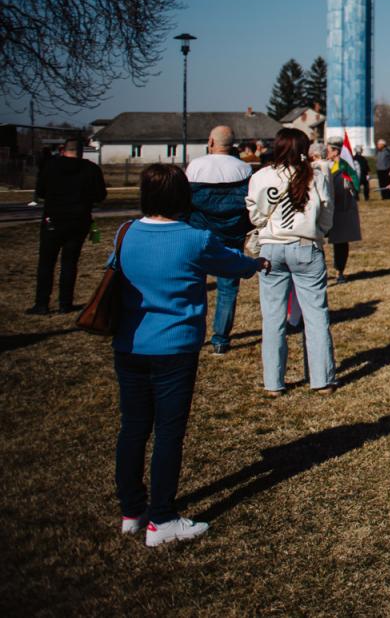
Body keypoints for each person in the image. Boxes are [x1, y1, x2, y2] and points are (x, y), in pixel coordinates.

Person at [113, 163, 265, 546]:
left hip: (130, 343)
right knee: (168, 431)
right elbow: (234, 265)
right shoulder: (194, 239)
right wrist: (257, 263)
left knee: (133, 427)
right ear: (184, 197)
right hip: (174, 347)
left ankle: (132, 510)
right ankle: (162, 518)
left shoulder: (126, 232)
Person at [247, 128, 337, 396]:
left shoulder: (261, 177)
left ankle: (273, 382)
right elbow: (327, 211)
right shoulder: (316, 176)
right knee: (316, 314)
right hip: (306, 246)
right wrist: (319, 231)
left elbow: (255, 214)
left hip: (271, 248)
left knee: (273, 317)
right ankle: (322, 379)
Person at [184, 125, 253, 352]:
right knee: (227, 290)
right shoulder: (244, 169)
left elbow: (185, 203)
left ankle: (192, 335)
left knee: (194, 288)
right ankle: (221, 339)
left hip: (199, 234)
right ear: (232, 144)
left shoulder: (196, 167)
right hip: (231, 235)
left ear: (211, 142)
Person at [30, 138, 107, 314]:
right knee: (70, 262)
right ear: (82, 151)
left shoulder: (50, 166)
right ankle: (65, 303)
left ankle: (41, 303)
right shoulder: (91, 169)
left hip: (52, 220)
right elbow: (100, 195)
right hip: (78, 221)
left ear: (63, 150)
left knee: (46, 262)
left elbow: (40, 191)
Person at [321, 142, 362, 283]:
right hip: (325, 209)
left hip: (340, 209)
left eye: (328, 150)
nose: (326, 153)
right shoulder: (326, 165)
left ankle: (340, 271)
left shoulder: (346, 167)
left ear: (336, 151)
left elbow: (352, 187)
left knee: (340, 243)